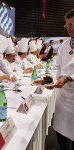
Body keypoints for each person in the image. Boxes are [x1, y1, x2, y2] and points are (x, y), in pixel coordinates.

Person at [52, 9, 74, 150]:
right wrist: (52, 81)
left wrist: (68, 78)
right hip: (64, 95)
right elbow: (56, 66)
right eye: (67, 25)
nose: (69, 28)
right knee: (61, 132)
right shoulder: (64, 45)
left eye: (72, 24)